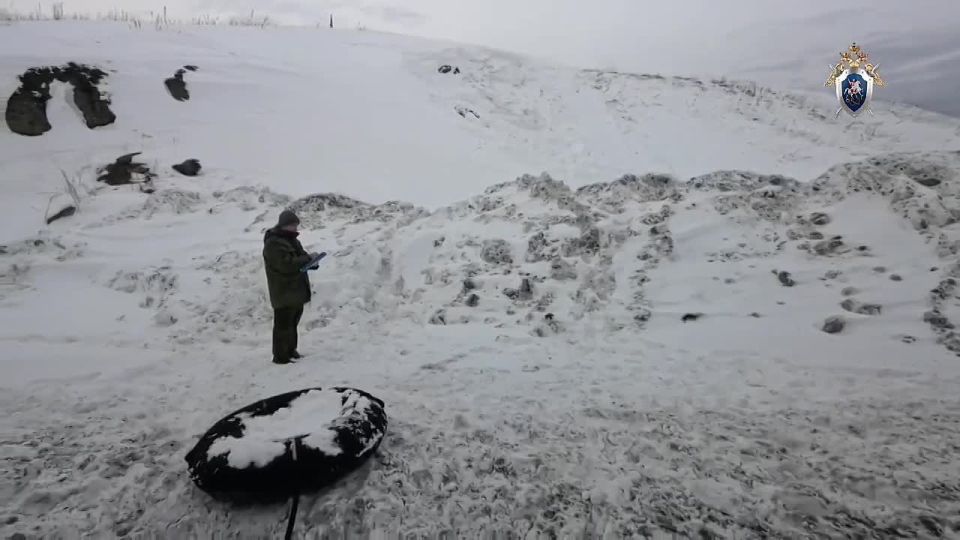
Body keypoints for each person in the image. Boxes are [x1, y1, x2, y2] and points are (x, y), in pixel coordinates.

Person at [263, 209, 319, 365]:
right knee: (283, 325)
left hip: (296, 290)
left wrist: (312, 262)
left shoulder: (293, 240)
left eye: (296, 225)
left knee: (293, 323)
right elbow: (286, 265)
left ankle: (291, 350)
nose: (295, 228)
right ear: (284, 225)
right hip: (283, 290)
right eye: (292, 225)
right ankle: (280, 357)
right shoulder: (273, 243)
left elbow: (300, 258)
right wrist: (307, 258)